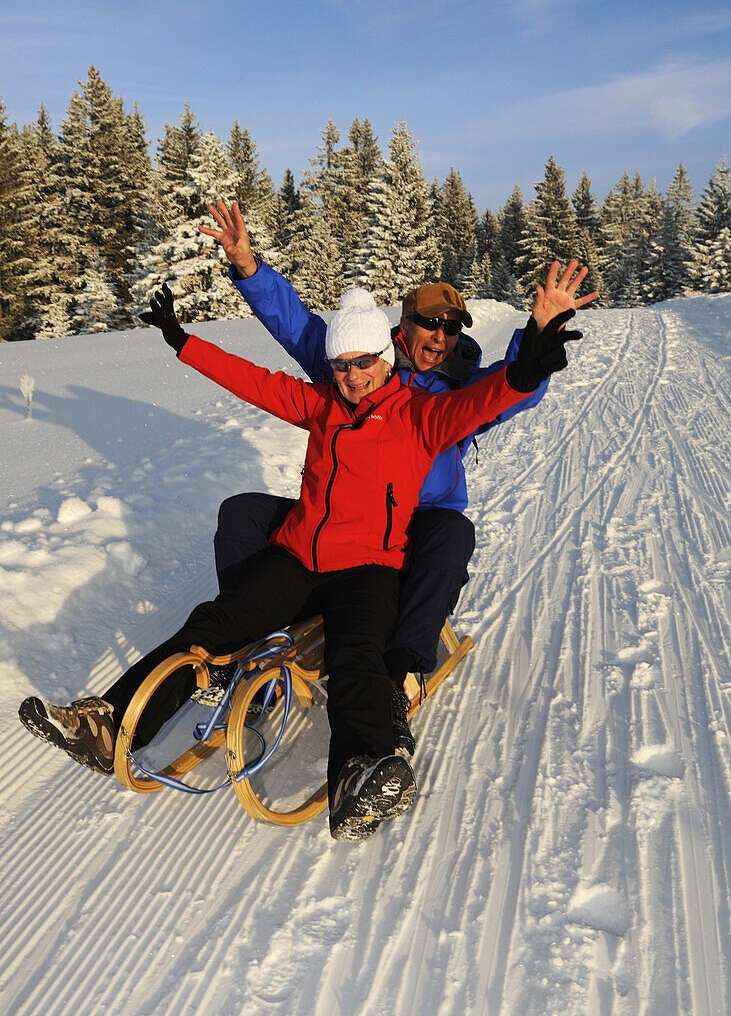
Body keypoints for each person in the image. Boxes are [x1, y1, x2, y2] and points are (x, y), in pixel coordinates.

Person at [18, 279, 585, 841]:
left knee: (358, 657)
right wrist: (182, 342)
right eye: (342, 365)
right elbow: (254, 382)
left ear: (385, 358)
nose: (354, 376)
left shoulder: (421, 415)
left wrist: (529, 363)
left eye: (364, 362)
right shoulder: (321, 406)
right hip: (298, 560)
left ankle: (360, 772)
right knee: (212, 625)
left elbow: (486, 398)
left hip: (369, 568)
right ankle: (109, 722)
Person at [197, 202, 598, 754]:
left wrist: (539, 332)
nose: (440, 336)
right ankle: (244, 643)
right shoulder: (359, 364)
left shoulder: (460, 389)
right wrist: (247, 265)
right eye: (429, 323)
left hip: (415, 523)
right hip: (347, 518)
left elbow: (514, 387)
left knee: (452, 533)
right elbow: (294, 324)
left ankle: (399, 670)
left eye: (452, 328)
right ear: (402, 326)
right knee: (242, 512)